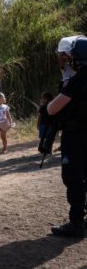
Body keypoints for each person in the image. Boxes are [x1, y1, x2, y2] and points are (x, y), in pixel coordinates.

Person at [48, 36, 87, 237]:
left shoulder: (77, 80)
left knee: (73, 177)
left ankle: (76, 221)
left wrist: (47, 105)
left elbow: (53, 108)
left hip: (75, 135)